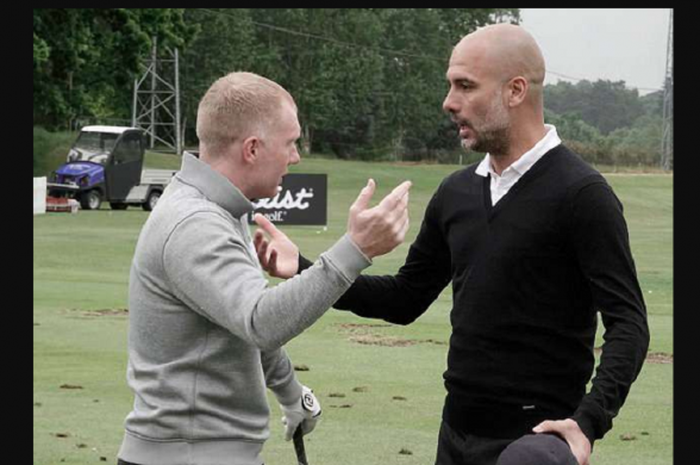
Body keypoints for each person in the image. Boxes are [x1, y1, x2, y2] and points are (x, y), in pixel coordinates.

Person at [254, 24, 649, 465]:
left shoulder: (581, 194)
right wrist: (307, 267)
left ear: (515, 90)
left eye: (465, 86)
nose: (449, 102)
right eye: (450, 86)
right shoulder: (455, 192)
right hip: (455, 437)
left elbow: (629, 323)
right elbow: (406, 299)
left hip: (534, 446)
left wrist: (588, 423)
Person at [116, 71, 411, 465]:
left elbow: (243, 328)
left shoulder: (220, 210)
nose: (296, 156)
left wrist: (291, 394)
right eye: (289, 143)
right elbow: (261, 322)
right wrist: (355, 250)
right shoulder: (195, 223)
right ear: (252, 149)